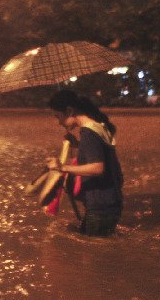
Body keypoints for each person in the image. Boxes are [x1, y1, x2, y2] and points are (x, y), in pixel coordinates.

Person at [45, 90, 123, 236]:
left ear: (69, 111)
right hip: (109, 203)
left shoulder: (89, 133)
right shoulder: (98, 126)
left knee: (94, 256)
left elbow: (98, 168)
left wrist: (62, 167)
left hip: (100, 205)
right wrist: (78, 145)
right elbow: (99, 154)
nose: (59, 122)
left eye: (58, 116)